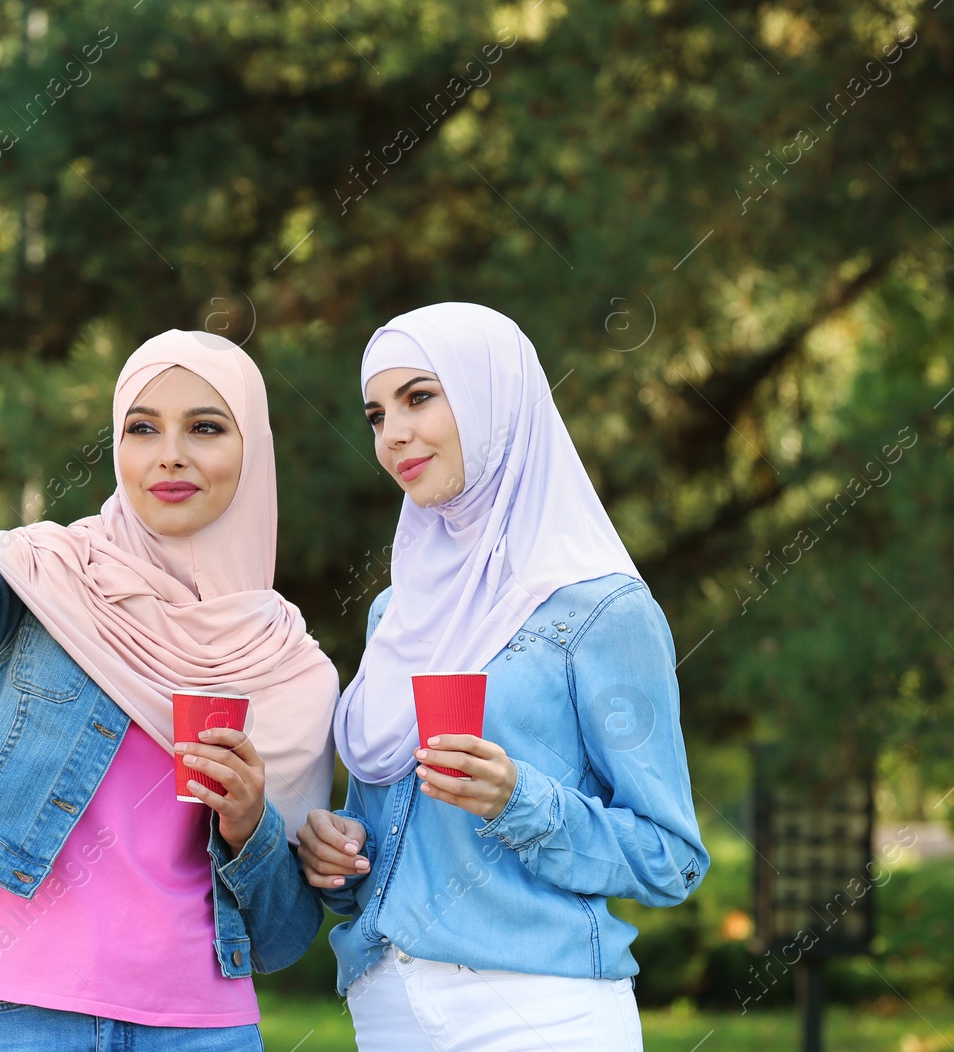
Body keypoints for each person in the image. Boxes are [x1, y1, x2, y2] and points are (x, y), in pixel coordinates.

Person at [0, 330, 335, 1051]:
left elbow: (284, 932)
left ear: (252, 450)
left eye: (205, 426)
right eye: (142, 428)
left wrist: (247, 823)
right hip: (19, 1008)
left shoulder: (293, 670)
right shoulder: (47, 578)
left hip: (202, 1025)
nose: (170, 452)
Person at [294, 302, 709, 1051]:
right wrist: (339, 852)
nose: (393, 434)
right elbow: (388, 839)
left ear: (494, 399)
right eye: (375, 414)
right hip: (386, 1002)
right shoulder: (398, 610)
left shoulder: (600, 608)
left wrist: (522, 800)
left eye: (420, 397)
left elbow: (671, 858)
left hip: (540, 1008)